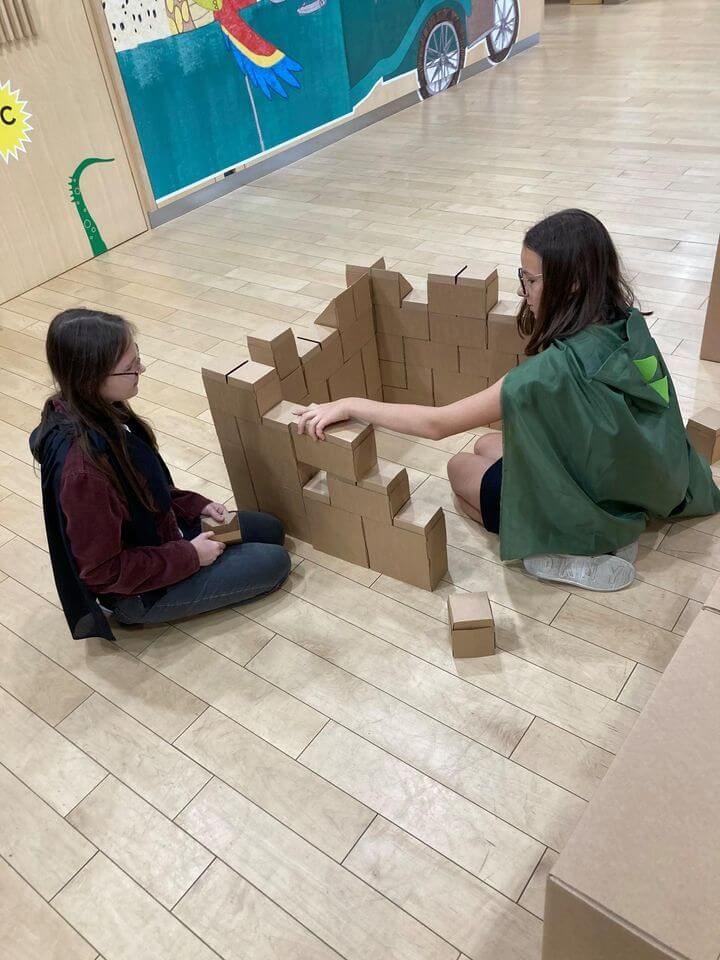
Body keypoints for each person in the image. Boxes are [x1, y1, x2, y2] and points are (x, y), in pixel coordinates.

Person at [296, 209, 720, 592]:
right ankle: (614, 528)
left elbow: (437, 424)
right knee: (486, 444)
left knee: (458, 467)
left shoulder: (545, 375)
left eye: (531, 280)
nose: (524, 291)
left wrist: (351, 405)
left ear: (572, 282)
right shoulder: (627, 324)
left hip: (595, 499)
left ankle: (563, 552)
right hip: (634, 477)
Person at [31, 308, 290, 641]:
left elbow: (150, 492)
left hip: (164, 534)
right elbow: (103, 572)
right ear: (91, 377)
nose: (141, 370)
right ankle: (150, 606)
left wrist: (197, 507)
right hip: (139, 590)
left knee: (270, 529)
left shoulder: (102, 408)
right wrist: (191, 556)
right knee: (275, 562)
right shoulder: (84, 473)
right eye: (131, 367)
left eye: (137, 358)